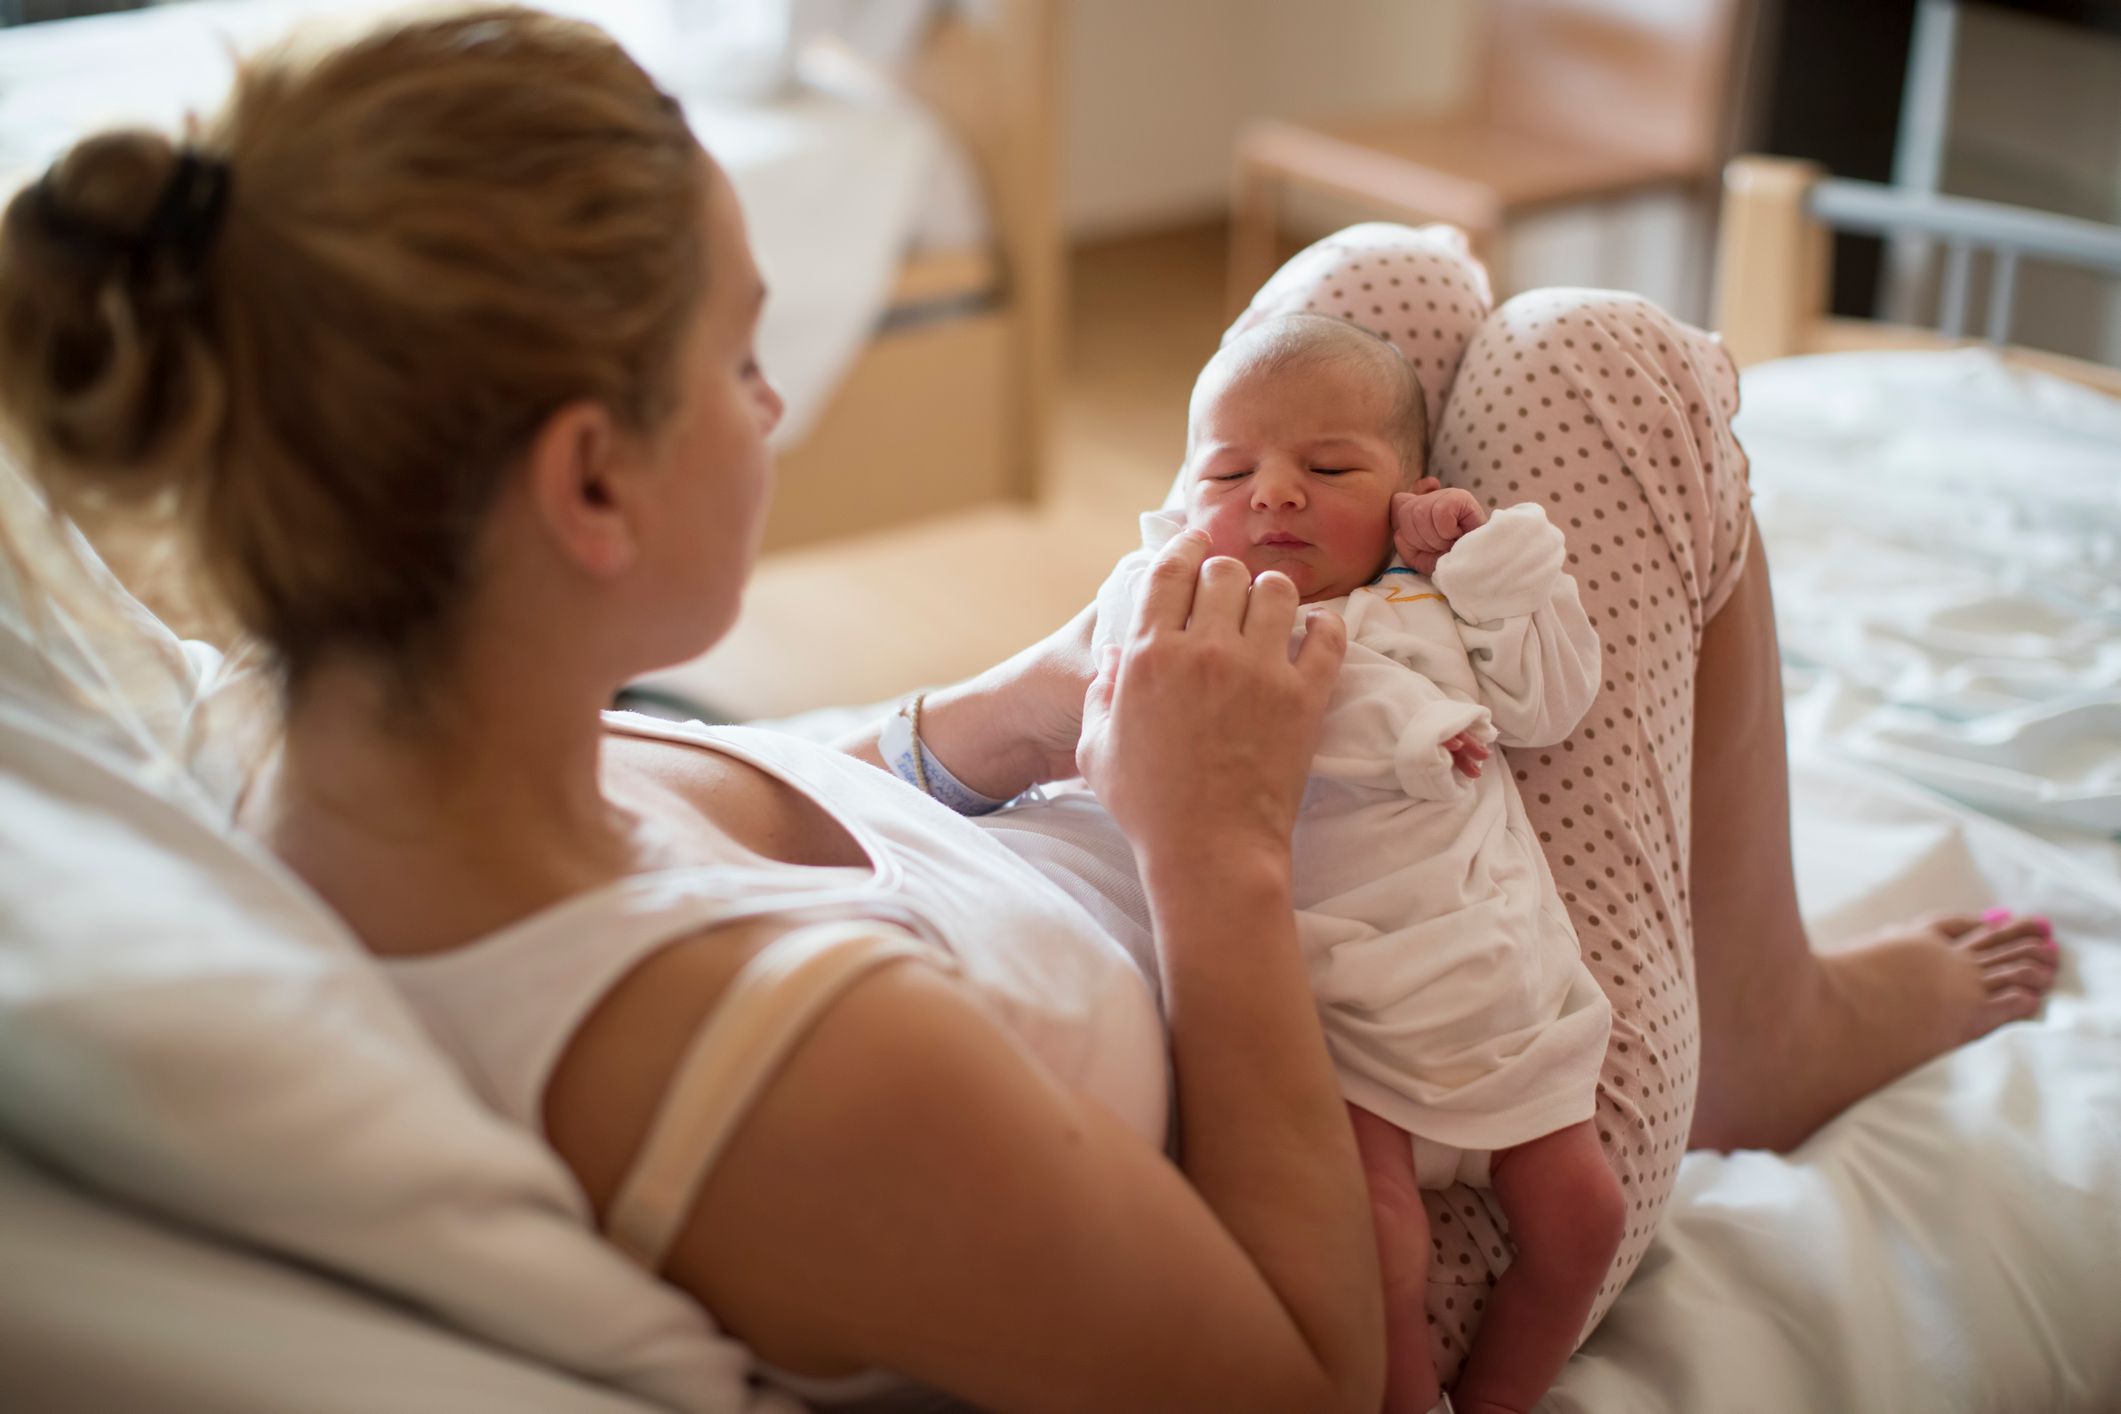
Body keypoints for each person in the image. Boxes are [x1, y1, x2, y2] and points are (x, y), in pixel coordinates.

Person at [0, 10, 2061, 1412]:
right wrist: (1212, 845)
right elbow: (1291, 1377)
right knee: (1602, 368)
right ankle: (1747, 1024)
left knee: (1380, 297)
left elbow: (843, 832)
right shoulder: (785, 1078)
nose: (772, 405)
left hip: (1168, 816)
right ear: (589, 484)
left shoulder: (317, 735)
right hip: (1387, 1115)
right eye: (738, 362)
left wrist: (977, 722)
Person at [1088, 309, 1620, 1414]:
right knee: (1378, 1244)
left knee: (1585, 1222)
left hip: (1495, 996)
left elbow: (1554, 698)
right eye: (1230, 471)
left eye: (1329, 466)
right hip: (1339, 1011)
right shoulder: (1203, 624)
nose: (1275, 492)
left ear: (1407, 491)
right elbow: (1195, 732)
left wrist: (1484, 553)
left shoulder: (1426, 599)